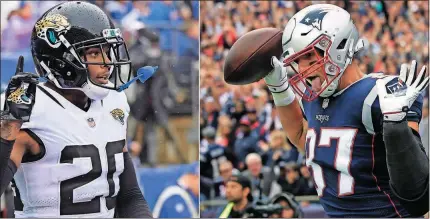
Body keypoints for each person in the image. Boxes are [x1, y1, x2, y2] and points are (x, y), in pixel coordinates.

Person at [262, 4, 429, 217]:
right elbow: (303, 136)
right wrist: (279, 90)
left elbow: (418, 192)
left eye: (311, 59)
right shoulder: (313, 99)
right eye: (298, 62)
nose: (303, 71)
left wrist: (396, 126)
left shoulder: (381, 93)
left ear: (339, 48)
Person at [0, 1, 154, 217]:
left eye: (107, 51)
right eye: (93, 53)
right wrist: (7, 129)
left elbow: (129, 195)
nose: (107, 62)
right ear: (61, 60)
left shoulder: (114, 102)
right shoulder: (30, 109)